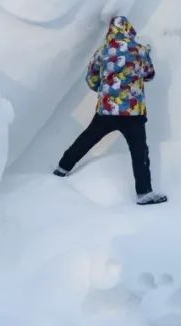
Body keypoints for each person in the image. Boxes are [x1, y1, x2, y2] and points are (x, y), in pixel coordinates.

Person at [53, 16, 167, 205]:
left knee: (87, 139)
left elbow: (91, 78)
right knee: (139, 152)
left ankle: (62, 168)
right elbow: (149, 74)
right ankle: (144, 193)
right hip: (133, 113)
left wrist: (105, 90)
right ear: (129, 29)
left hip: (107, 111)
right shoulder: (139, 50)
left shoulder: (103, 50)